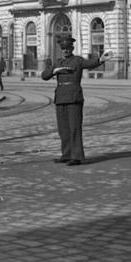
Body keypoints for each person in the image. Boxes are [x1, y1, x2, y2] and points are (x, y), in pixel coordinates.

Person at [41, 37, 111, 166]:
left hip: (74, 97)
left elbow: (90, 64)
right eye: (63, 49)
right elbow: (44, 76)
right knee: (63, 129)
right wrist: (54, 71)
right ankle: (66, 155)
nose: (65, 51)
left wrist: (101, 59)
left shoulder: (77, 61)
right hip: (60, 97)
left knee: (74, 128)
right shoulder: (58, 62)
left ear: (72, 49)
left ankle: (77, 157)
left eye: (68, 49)